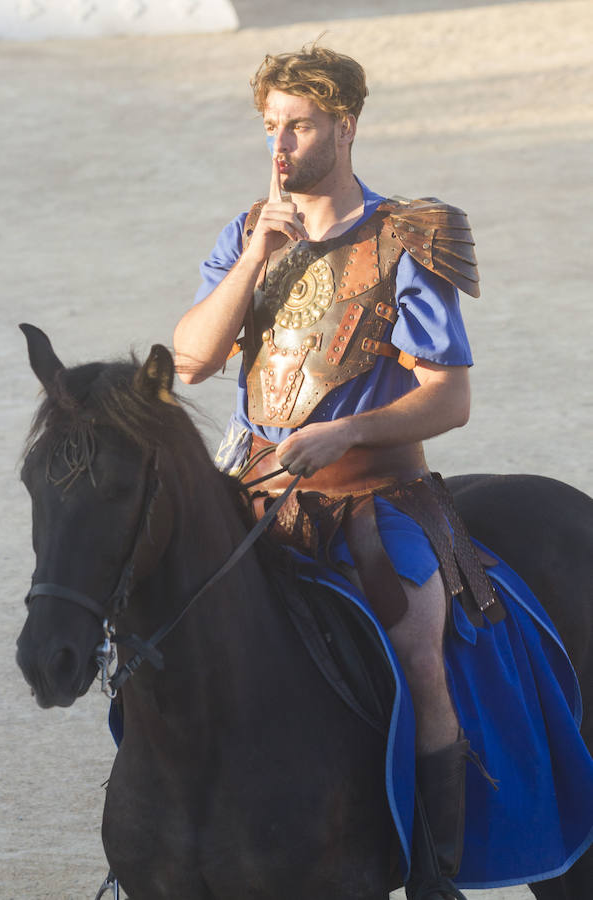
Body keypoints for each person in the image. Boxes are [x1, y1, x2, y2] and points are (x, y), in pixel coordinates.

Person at [173, 44, 502, 897]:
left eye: (300, 126)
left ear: (345, 126)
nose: (280, 146)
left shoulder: (409, 238)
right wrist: (252, 261)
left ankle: (436, 873)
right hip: (253, 491)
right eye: (270, 127)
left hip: (372, 498)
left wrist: (344, 433)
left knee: (418, 653)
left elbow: (449, 399)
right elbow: (190, 359)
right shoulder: (246, 232)